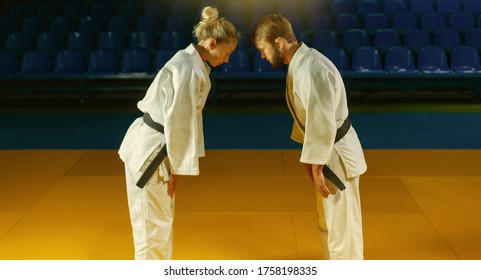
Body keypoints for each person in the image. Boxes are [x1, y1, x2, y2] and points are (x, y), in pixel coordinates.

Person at [119, 6, 239, 260]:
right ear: (212, 43)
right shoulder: (187, 68)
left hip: (154, 146)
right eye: (227, 53)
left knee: (157, 225)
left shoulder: (191, 62)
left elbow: (184, 121)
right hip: (152, 153)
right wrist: (176, 168)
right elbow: (180, 121)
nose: (227, 59)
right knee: (152, 231)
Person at [252, 15, 367, 260]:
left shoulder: (310, 67)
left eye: (263, 49)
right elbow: (311, 119)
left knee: (342, 230)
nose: (262, 55)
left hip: (335, 154)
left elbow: (321, 118)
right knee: (327, 223)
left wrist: (315, 162)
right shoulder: (302, 63)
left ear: (279, 42)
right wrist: (310, 158)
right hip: (327, 152)